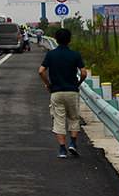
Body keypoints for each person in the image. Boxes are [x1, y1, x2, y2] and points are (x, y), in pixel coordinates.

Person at [38, 26, 88, 158]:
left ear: (56, 39)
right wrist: (79, 82)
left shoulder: (51, 54)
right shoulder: (75, 55)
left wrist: (48, 84)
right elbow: (83, 72)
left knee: (59, 119)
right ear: (69, 40)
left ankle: (62, 149)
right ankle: (72, 143)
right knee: (73, 117)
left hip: (56, 92)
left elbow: (41, 71)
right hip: (72, 91)